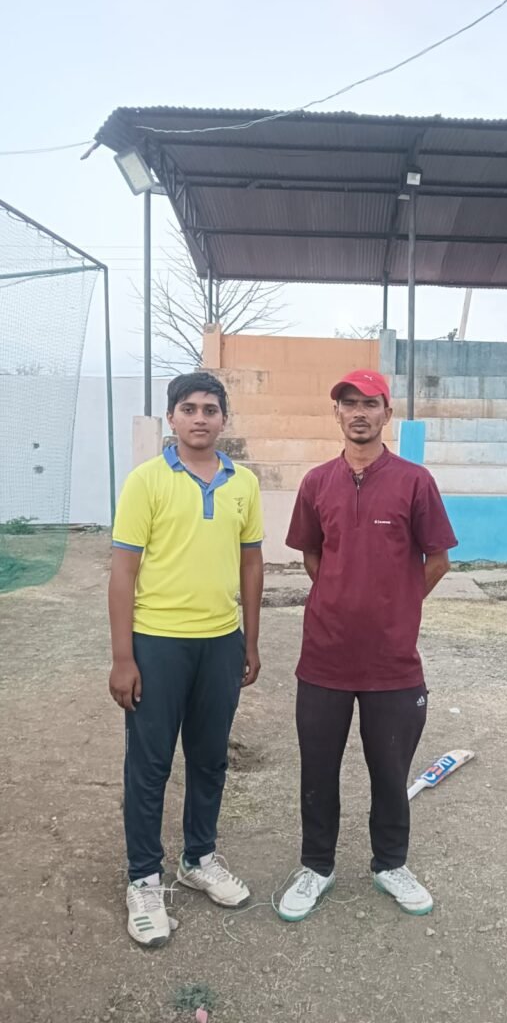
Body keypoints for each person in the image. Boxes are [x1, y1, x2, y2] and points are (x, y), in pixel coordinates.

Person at [278, 369, 458, 922]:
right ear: (337, 413)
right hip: (324, 656)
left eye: (370, 404)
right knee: (318, 770)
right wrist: (341, 596)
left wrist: (396, 604)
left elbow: (438, 560)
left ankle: (390, 864)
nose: (359, 413)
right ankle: (316, 867)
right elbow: (312, 555)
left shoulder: (414, 481)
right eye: (349, 403)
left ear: (387, 413)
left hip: (392, 662)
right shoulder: (316, 483)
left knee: (389, 770)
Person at [108, 371, 264, 946]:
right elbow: (122, 571)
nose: (200, 418)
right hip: (157, 643)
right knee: (150, 766)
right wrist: (123, 657)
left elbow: (251, 561)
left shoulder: (242, 483)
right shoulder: (146, 481)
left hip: (220, 642)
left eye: (210, 409)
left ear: (224, 419)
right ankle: (143, 878)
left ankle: (198, 858)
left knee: (209, 759)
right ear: (171, 417)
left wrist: (249, 641)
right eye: (189, 408)